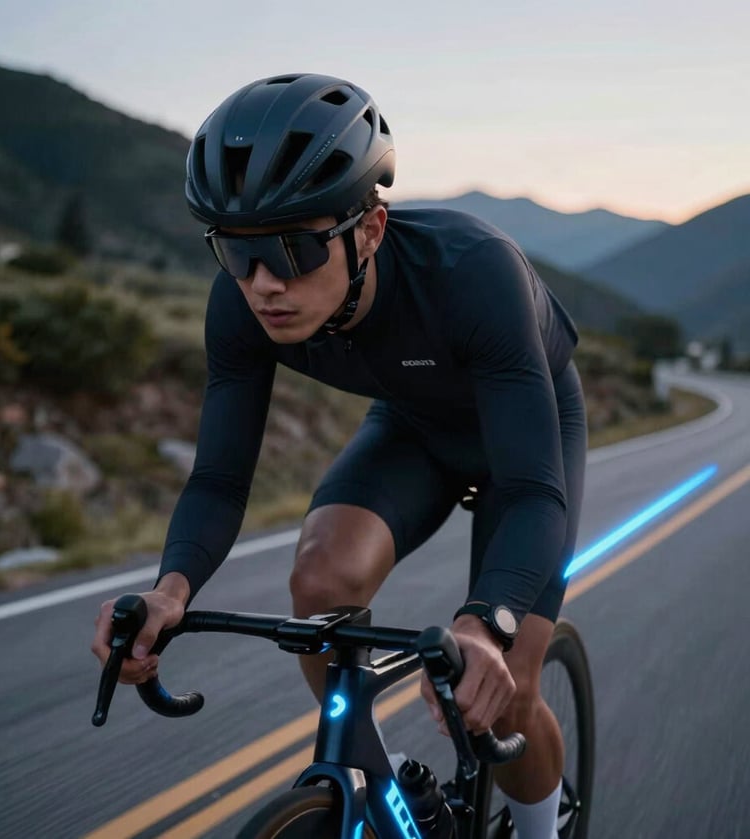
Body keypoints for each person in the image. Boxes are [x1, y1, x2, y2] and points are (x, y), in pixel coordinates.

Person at [92, 73, 586, 839]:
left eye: (291, 249)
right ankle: (380, 792)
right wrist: (169, 591)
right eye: (235, 250)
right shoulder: (241, 304)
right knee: (320, 580)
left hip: (529, 441)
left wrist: (483, 624)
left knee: (507, 688)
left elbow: (531, 490)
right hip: (415, 426)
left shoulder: (474, 274)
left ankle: (543, 829)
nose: (263, 284)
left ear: (371, 230)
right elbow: (221, 477)